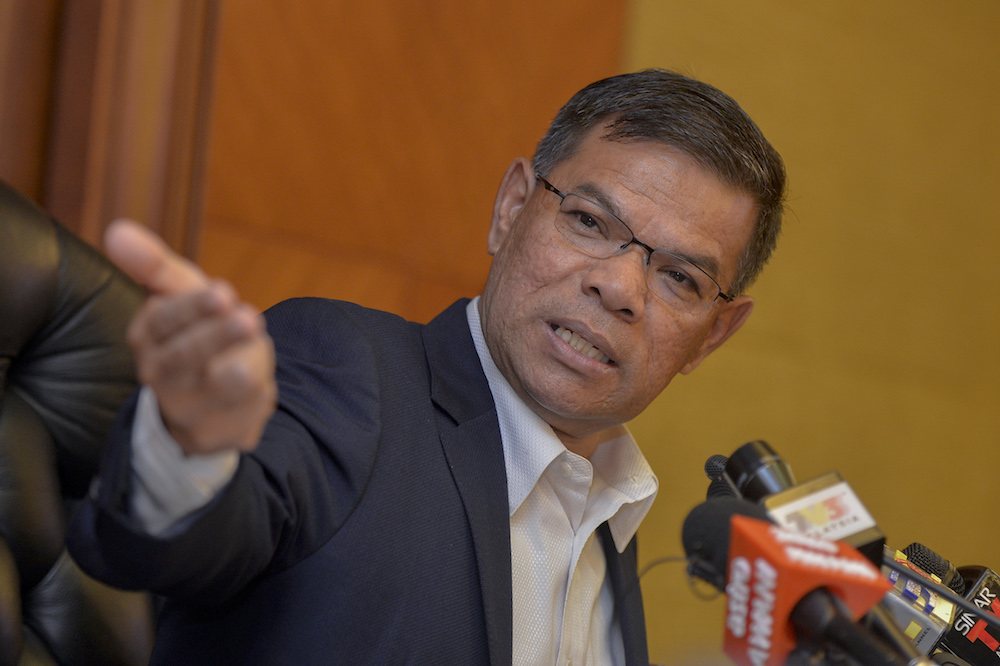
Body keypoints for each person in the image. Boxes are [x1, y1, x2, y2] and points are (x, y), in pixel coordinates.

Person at [67, 69, 786, 664]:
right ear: (510, 209)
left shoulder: (612, 519)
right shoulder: (346, 372)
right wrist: (190, 446)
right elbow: (173, 550)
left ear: (713, 335)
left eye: (679, 280)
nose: (619, 288)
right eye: (589, 222)